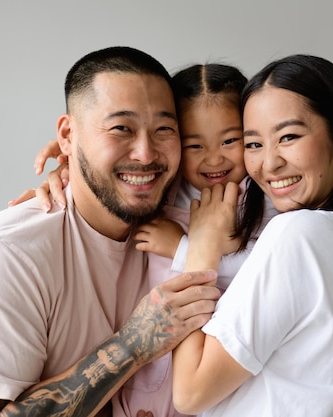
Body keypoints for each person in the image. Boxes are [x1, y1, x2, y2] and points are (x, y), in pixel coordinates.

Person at [0, 46, 221, 417]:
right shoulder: (2, 256)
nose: (146, 153)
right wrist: (133, 345)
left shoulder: (190, 211)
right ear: (68, 135)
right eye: (121, 128)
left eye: (164, 129)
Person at [15, 63, 279, 417]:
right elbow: (117, 174)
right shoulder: (169, 187)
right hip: (144, 372)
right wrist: (69, 165)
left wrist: (184, 249)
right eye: (194, 144)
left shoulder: (261, 197)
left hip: (212, 373)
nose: (214, 158)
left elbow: (267, 275)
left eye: (231, 141)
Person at [171, 54, 333, 417]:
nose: (269, 162)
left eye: (288, 136)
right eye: (254, 144)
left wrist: (201, 246)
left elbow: (189, 392)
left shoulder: (298, 234)